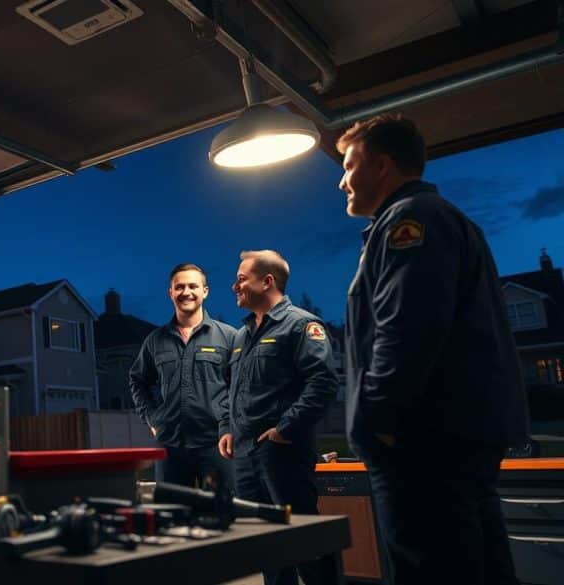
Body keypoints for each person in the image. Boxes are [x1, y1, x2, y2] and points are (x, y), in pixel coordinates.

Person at [338, 114, 528, 585]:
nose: (342, 181)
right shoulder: (431, 219)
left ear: (381, 166)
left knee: (433, 570)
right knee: (477, 568)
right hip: (445, 437)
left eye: (348, 165)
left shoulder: (411, 221)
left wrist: (376, 421)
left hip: (422, 441)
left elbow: (407, 330)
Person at [219, 250, 338, 585]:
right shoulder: (242, 336)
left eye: (241, 279)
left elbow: (323, 383)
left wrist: (285, 430)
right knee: (267, 546)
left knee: (305, 542)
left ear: (267, 281)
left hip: (281, 453)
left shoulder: (301, 325)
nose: (234, 286)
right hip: (244, 456)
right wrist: (228, 428)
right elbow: (234, 390)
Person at [130, 263, 236, 491]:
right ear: (171, 293)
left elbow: (242, 388)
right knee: (172, 517)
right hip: (171, 446)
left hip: (216, 445)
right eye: (179, 287)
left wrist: (233, 427)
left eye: (193, 286)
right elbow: (138, 381)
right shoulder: (155, 341)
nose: (186, 292)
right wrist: (152, 419)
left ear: (205, 291)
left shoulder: (229, 337)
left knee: (223, 516)